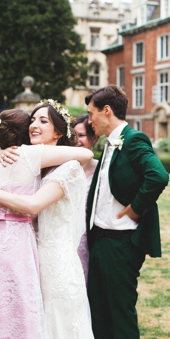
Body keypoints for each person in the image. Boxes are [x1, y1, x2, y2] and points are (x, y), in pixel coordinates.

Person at [0, 100, 107, 339]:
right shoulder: (32, 163)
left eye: (43, 121)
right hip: (26, 255)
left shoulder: (67, 167)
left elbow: (32, 206)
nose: (34, 125)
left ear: (58, 133)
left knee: (57, 337)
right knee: (22, 335)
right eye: (33, 120)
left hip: (54, 262)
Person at [85, 86, 169, 339]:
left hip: (121, 246)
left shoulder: (133, 140)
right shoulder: (108, 143)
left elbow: (158, 175)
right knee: (100, 318)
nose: (89, 120)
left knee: (122, 319)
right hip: (100, 242)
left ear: (106, 110)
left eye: (91, 113)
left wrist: (135, 209)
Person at [71, 114, 99, 283]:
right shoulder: (61, 168)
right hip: (66, 238)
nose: (77, 141)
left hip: (91, 240)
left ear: (93, 137)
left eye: (81, 136)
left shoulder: (101, 168)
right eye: (73, 136)